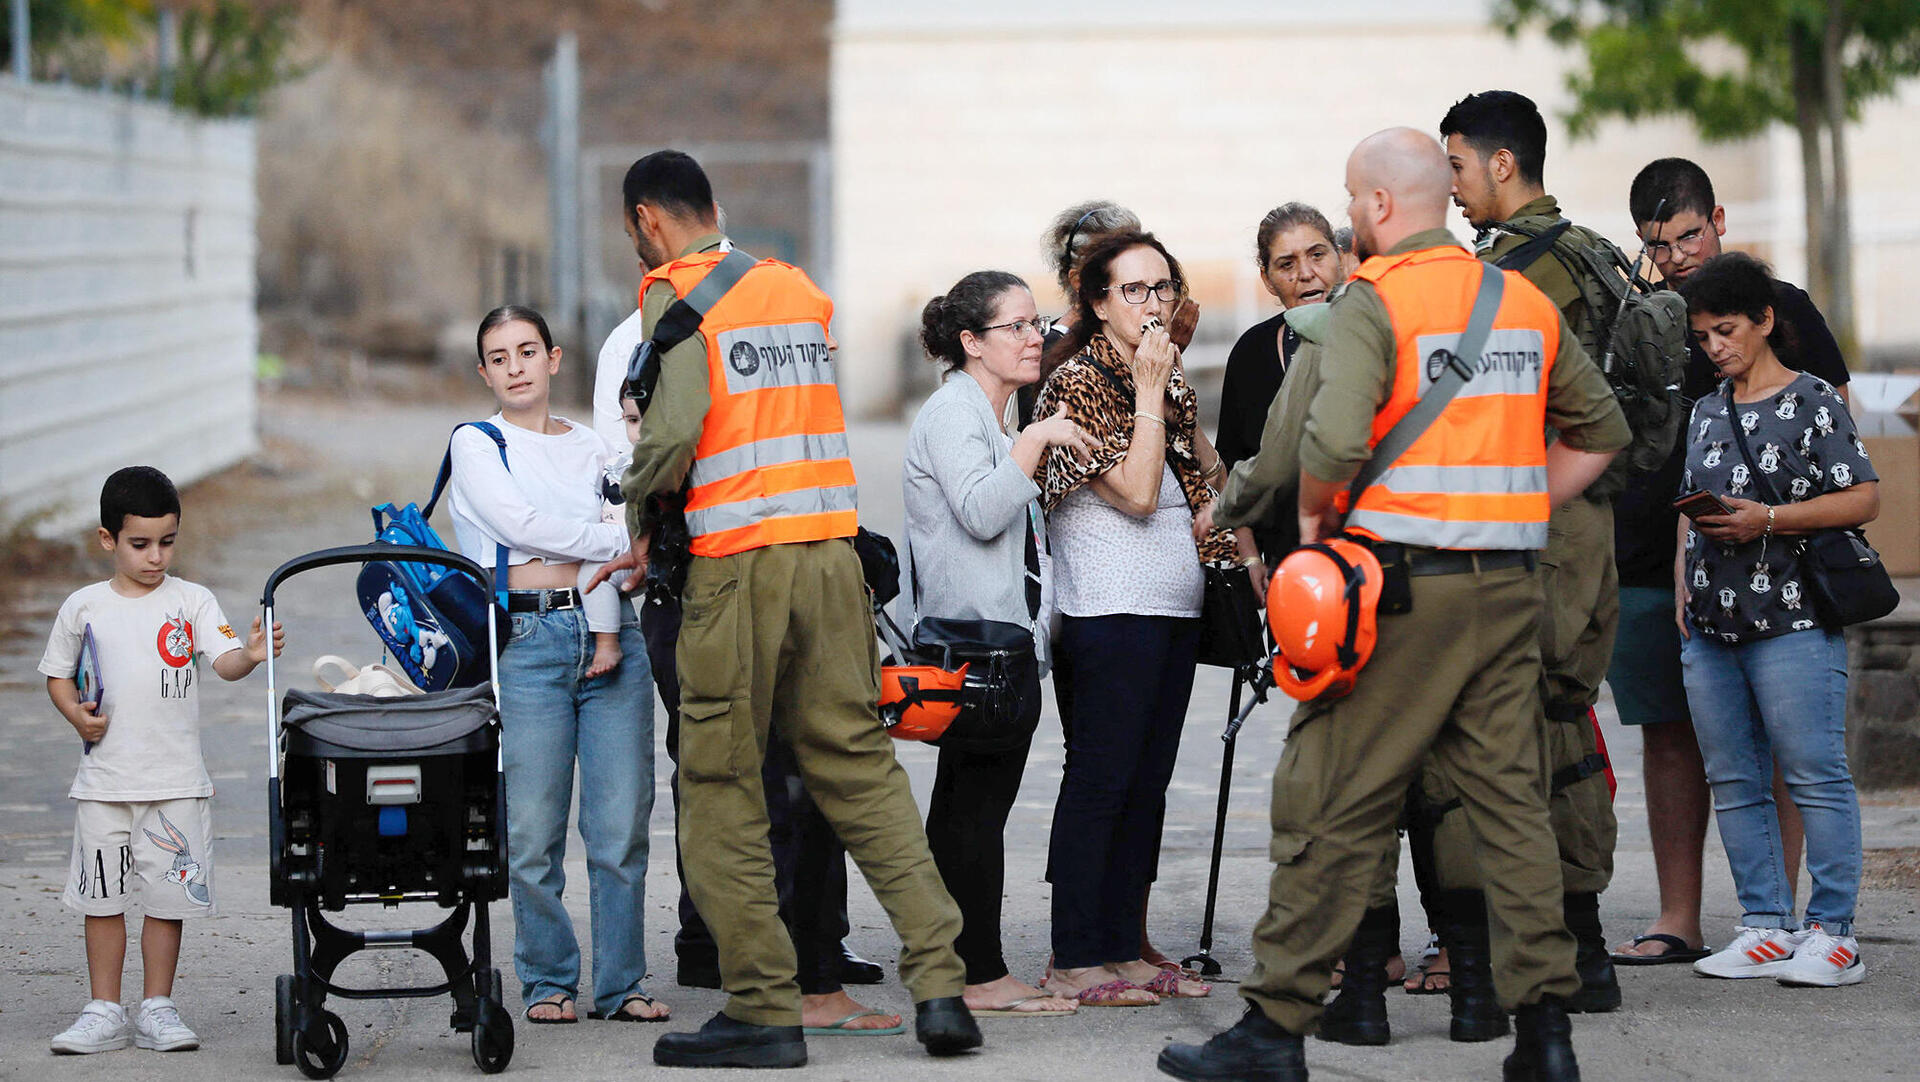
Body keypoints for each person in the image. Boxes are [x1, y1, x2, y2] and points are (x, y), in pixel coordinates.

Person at [1158, 128, 1627, 1082]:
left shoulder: (1373, 305)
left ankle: (1274, 1028)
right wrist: (1519, 506)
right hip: (1507, 590)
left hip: (1400, 592)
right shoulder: (1520, 299)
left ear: (1375, 207)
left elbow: (1326, 451)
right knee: (1509, 808)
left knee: (1333, 795)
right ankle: (1544, 1036)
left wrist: (1325, 540)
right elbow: (1603, 431)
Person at [597, 148, 977, 1068]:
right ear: (715, 205)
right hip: (830, 557)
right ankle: (941, 988)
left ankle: (766, 1008)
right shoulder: (791, 289)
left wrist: (636, 499)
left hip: (742, 568)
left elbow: (678, 429)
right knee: (859, 770)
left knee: (723, 783)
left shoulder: (675, 297)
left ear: (648, 219)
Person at [591, 207, 891, 1023]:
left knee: (789, 774)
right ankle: (747, 956)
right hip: (697, 584)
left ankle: (805, 951)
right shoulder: (644, 335)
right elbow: (631, 467)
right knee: (735, 776)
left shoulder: (781, 309)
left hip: (777, 570)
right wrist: (642, 549)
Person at [1608, 157, 1854, 964]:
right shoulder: (1639, 318)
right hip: (1657, 562)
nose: (1679, 255)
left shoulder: (1782, 311)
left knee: (1787, 746)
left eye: (1690, 234)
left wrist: (1776, 518)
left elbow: (1839, 444)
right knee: (1671, 738)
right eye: (1660, 243)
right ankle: (1684, 917)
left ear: (1718, 217)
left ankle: (1783, 921)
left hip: (1781, 573)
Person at [1033, 230, 1253, 1006]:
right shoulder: (1078, 383)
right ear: (1098, 303)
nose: (1153, 303)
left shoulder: (1168, 375)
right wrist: (1154, 392)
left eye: (1164, 288)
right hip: (1106, 607)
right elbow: (1132, 490)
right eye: (1134, 290)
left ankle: (1124, 945)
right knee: (1101, 777)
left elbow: (1208, 476)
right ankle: (1075, 955)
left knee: (1148, 782)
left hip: (1173, 603)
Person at [1440, 88, 1623, 1015]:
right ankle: (1580, 954)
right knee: (1567, 719)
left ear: (1502, 163)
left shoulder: (1515, 274)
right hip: (1587, 520)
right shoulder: (1598, 255)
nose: (1453, 187)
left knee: (1518, 729)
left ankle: (1556, 959)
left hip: (1533, 515)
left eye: (1461, 167)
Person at [446, 306, 665, 1025]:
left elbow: (627, 520)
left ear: (554, 358)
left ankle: (622, 983)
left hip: (612, 635)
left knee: (619, 826)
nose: (515, 367)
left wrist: (609, 543)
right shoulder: (477, 445)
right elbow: (517, 524)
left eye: (527, 351)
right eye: (499, 357)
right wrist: (604, 545)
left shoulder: (593, 446)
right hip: (527, 641)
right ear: (485, 372)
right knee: (534, 829)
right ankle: (547, 981)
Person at [1673, 252, 1876, 986]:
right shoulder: (1703, 410)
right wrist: (1679, 592)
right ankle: (1764, 923)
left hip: (1795, 618)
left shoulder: (1815, 399)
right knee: (1733, 779)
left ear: (1764, 321)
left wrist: (1771, 519)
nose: (1715, 346)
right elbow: (1689, 511)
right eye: (1702, 337)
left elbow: (1862, 498)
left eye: (1725, 330)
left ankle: (1834, 933)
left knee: (1815, 772)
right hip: (1713, 622)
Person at [42, 466, 284, 1054]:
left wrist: (249, 656)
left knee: (166, 899)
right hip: (103, 783)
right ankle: (102, 1010)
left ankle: (157, 1007)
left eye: (168, 541)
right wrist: (76, 715)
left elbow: (223, 662)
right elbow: (56, 677)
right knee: (101, 899)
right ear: (108, 540)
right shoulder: (84, 606)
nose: (156, 557)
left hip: (175, 782)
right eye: (140, 544)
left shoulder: (193, 600)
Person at [905, 270, 1093, 1018]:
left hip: (999, 640)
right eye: (1014, 326)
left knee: (967, 810)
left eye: (1036, 321)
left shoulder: (993, 416)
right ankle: (978, 975)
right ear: (970, 342)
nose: (1033, 337)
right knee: (973, 816)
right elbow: (982, 513)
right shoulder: (955, 413)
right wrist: (1040, 439)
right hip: (972, 646)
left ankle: (956, 963)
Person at [1216, 203, 1345, 559]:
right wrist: (1249, 552)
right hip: (1288, 562)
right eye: (1286, 265)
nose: (1306, 273)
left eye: (1317, 255)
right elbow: (1232, 460)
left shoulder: (1374, 329)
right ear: (1267, 280)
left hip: (1374, 551)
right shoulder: (1252, 352)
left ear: (1341, 258)